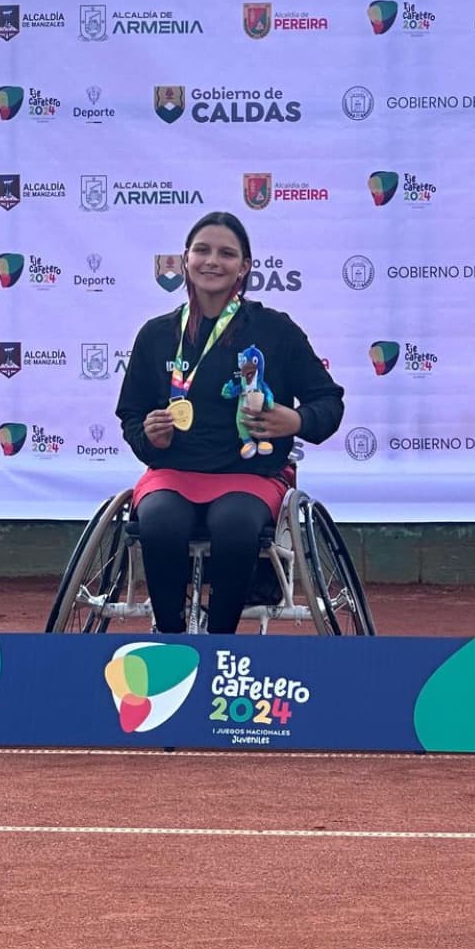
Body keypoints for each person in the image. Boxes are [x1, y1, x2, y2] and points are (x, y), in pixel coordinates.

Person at [115, 212, 345, 634]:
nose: (212, 261)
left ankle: (222, 642)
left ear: (245, 266)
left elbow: (328, 403)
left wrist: (294, 419)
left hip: (250, 473)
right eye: (202, 250)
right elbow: (131, 414)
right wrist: (149, 436)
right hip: (172, 473)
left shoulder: (276, 330)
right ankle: (171, 637)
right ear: (184, 260)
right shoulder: (156, 335)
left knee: (234, 525)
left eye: (226, 253)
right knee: (160, 523)